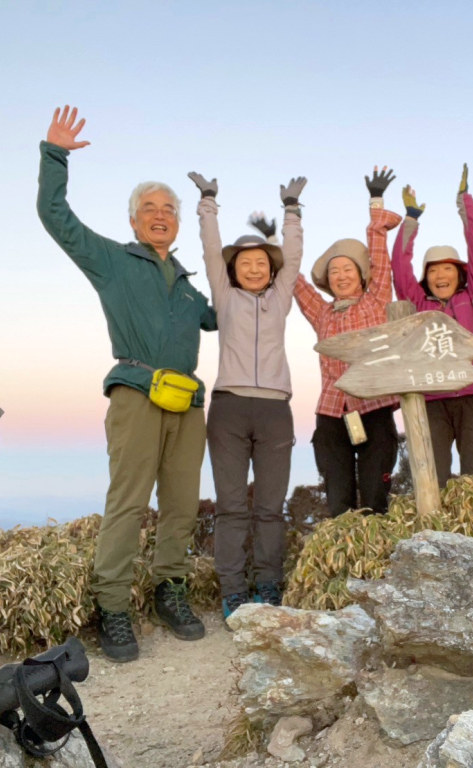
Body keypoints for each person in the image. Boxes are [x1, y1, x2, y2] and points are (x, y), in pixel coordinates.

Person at [37, 106, 217, 662]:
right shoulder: (113, 260)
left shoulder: (191, 289)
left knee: (183, 503)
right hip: (136, 392)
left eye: (169, 209)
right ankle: (112, 604)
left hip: (187, 401)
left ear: (178, 223)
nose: (160, 215)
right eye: (149, 208)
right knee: (129, 503)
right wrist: (55, 154)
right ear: (135, 221)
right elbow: (55, 215)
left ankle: (170, 589)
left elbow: (234, 316)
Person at [188, 170, 306, 622]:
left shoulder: (280, 299)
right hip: (230, 407)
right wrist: (208, 201)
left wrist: (291, 211)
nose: (254, 268)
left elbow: (293, 258)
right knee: (233, 507)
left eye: (261, 263)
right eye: (245, 263)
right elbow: (210, 248)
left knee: (271, 508)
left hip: (276, 408)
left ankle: (269, 584)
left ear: (270, 270)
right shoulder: (225, 295)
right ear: (233, 269)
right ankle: (233, 591)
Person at [294, 167, 402, 517]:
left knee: (375, 499)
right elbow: (292, 280)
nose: (340, 276)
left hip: (374, 408)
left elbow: (380, 255)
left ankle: (377, 564)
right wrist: (288, 221)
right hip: (332, 414)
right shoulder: (322, 313)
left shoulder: (375, 301)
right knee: (338, 500)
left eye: (348, 270)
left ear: (360, 274)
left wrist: (375, 201)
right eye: (334, 271)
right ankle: (342, 565)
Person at [391, 164, 473, 488]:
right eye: (433, 271)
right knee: (433, 482)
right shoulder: (418, 305)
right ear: (425, 277)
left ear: (460, 272)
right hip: (433, 400)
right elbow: (399, 269)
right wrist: (410, 219)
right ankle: (436, 539)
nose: (440, 276)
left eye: (447, 269)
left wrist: (464, 202)